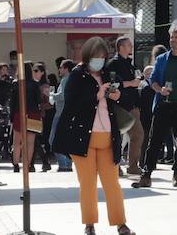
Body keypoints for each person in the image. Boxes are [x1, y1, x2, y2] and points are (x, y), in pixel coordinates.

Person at [51, 37, 133, 235]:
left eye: (103, 57)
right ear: (88, 56)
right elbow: (71, 106)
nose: (100, 60)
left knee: (112, 184)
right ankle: (89, 224)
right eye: (96, 57)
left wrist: (118, 95)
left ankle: (121, 223)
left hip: (108, 137)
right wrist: (96, 96)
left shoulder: (109, 74)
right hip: (83, 139)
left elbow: (129, 101)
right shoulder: (77, 76)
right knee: (87, 184)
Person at [134, 27, 177, 189]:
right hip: (163, 105)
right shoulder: (161, 59)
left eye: (176, 37)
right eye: (171, 37)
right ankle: (146, 174)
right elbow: (152, 80)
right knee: (154, 140)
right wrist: (160, 89)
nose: (172, 40)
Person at [104, 36, 146, 178]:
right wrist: (130, 83)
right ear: (121, 47)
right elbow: (112, 85)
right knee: (118, 137)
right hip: (119, 105)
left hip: (132, 105)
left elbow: (136, 80)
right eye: (129, 45)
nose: (131, 47)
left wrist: (138, 81)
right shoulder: (113, 64)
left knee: (137, 135)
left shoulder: (130, 64)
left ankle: (132, 166)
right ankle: (116, 166)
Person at [9, 61, 43, 173]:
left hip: (19, 113)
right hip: (33, 113)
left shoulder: (16, 83)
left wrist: (11, 117)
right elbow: (39, 100)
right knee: (30, 142)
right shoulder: (35, 84)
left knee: (17, 141)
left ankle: (15, 164)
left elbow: (12, 102)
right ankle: (27, 165)